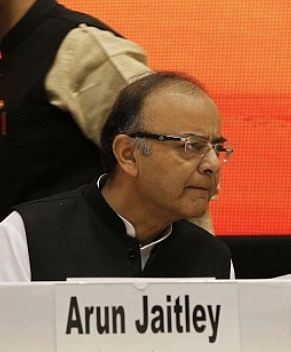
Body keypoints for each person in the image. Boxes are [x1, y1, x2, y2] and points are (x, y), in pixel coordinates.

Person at [0, 71, 234, 281]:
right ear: (128, 154)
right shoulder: (25, 238)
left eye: (217, 148)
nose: (213, 164)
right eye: (192, 146)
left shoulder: (213, 259)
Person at [0, 0, 152, 220]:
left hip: (97, 251)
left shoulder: (80, 47)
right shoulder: (14, 56)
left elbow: (172, 163)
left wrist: (199, 252)